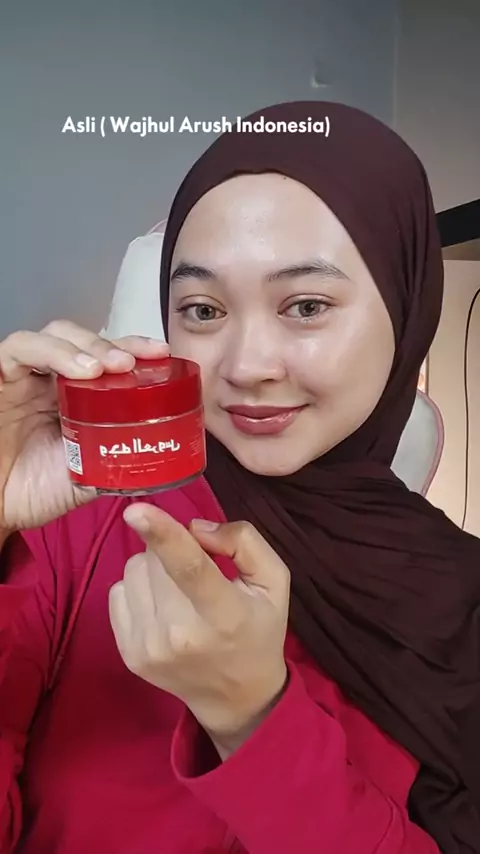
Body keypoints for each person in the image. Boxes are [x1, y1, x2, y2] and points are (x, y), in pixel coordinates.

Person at [0, 101, 478, 854]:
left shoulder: (461, 600)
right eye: (202, 309)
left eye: (306, 305)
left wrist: (256, 721)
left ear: (406, 303)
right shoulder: (80, 527)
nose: (247, 366)